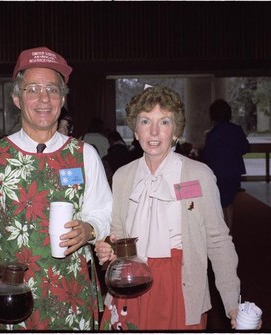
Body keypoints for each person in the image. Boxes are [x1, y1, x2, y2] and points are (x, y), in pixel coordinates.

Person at [0, 46, 112, 330]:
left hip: (71, 293)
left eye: (52, 89)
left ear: (63, 99)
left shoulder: (84, 154)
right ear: (16, 97)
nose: (43, 99)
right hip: (10, 295)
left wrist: (90, 229)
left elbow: (104, 211)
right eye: (33, 89)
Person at [95, 87, 241, 330]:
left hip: (179, 287)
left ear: (175, 131)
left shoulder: (198, 175)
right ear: (135, 130)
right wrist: (108, 250)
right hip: (131, 283)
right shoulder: (123, 176)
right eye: (145, 121)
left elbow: (218, 242)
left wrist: (232, 302)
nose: (154, 131)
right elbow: (117, 234)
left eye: (164, 121)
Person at [200, 99, 250, 230]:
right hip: (234, 170)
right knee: (229, 202)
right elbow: (245, 148)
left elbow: (207, 155)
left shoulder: (212, 134)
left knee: (220, 203)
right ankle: (229, 230)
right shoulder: (236, 130)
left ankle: (224, 231)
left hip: (218, 172)